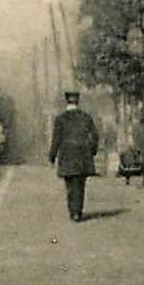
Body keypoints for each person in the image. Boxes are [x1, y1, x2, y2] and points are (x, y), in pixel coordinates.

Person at [49, 91, 99, 222]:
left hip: (67, 155)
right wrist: (92, 151)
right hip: (83, 154)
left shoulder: (60, 119)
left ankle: (73, 211)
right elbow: (95, 136)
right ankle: (78, 211)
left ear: (67, 102)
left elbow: (56, 139)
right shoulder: (86, 117)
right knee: (80, 184)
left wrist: (52, 156)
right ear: (78, 101)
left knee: (70, 184)